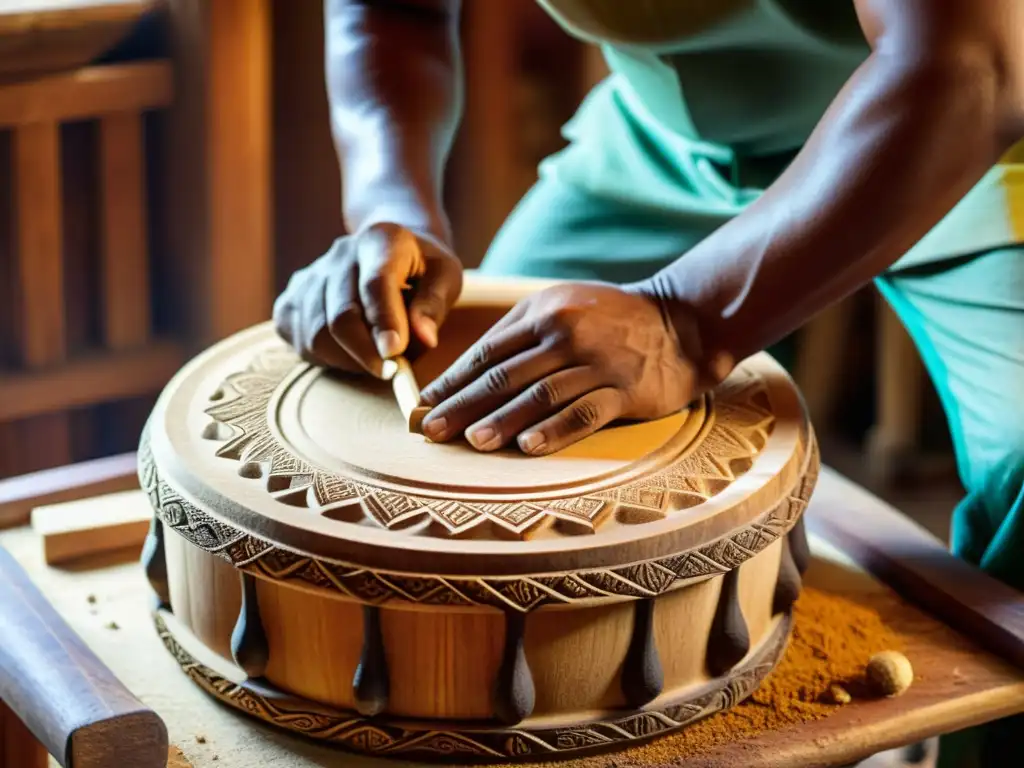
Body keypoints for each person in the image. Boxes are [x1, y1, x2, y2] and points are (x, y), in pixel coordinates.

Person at [274, 2, 1024, 763]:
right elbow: (392, 14)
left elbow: (972, 64)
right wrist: (393, 212)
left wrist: (686, 322)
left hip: (980, 143)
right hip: (668, 146)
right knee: (484, 437)